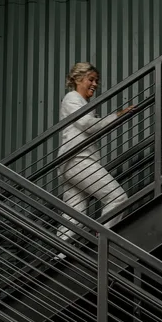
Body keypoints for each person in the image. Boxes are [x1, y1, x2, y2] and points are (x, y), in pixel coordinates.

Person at [55, 62, 134, 243]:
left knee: (74, 217)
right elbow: (87, 124)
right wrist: (117, 116)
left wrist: (116, 118)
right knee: (117, 198)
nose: (95, 84)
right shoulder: (72, 98)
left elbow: (90, 126)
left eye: (96, 81)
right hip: (78, 160)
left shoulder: (83, 103)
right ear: (77, 79)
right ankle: (102, 240)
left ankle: (59, 255)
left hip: (73, 163)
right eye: (91, 79)